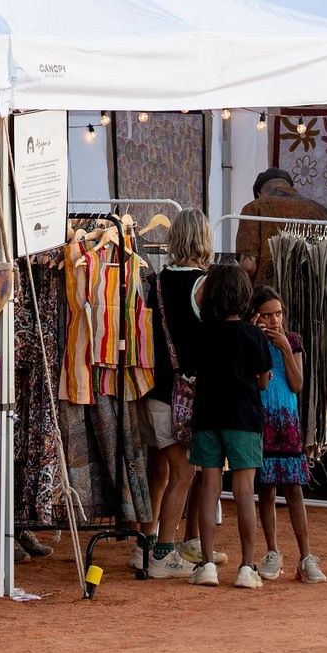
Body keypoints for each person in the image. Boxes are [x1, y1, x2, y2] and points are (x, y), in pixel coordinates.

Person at [183, 262, 270, 588]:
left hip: (207, 416)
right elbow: (262, 382)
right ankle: (247, 567)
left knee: (209, 488)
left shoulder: (201, 333)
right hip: (244, 418)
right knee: (245, 491)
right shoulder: (253, 336)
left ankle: (207, 564)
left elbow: (191, 372)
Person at [136, 205, 211, 580]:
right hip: (183, 393)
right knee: (184, 472)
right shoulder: (202, 284)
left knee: (160, 469)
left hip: (152, 386)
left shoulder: (156, 281)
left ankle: (145, 544)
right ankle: (164, 552)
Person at [249, 285, 323, 584]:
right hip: (263, 420)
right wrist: (258, 342)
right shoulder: (252, 341)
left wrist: (284, 348)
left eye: (278, 313)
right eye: (267, 315)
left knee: (294, 488)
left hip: (288, 423)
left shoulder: (293, 341)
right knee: (266, 489)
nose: (274, 320)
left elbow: (297, 383)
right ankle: (272, 552)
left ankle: (306, 557)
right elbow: (262, 384)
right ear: (256, 317)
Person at [233, 167, 327, 276]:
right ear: (291, 188)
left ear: (259, 195)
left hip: (267, 290)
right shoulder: (321, 211)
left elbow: (248, 265)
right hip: (313, 291)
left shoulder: (253, 209)